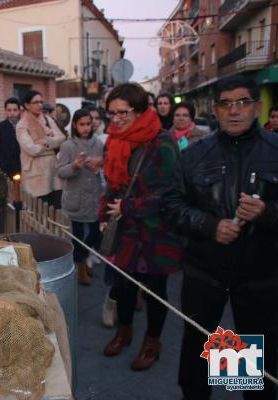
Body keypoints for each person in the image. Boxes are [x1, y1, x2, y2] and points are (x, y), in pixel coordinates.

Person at [162, 74, 278, 400]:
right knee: (200, 349)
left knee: (251, 359)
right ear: (215, 110)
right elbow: (171, 206)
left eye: (243, 102)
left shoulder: (274, 150)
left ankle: (246, 389)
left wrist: (266, 213)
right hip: (205, 274)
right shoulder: (195, 154)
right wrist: (209, 226)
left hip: (258, 275)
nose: (234, 110)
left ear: (256, 107)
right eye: (226, 103)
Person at [99, 83, 182, 371]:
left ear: (141, 110)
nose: (117, 119)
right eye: (112, 113)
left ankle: (152, 342)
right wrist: (103, 215)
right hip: (126, 230)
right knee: (123, 287)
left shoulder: (163, 141)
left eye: (123, 112)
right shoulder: (114, 139)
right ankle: (124, 332)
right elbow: (112, 183)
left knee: (156, 291)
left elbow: (170, 193)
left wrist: (128, 207)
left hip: (158, 231)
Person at [56, 109, 104, 286]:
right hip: (75, 197)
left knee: (95, 233)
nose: (85, 128)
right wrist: (74, 166)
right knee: (76, 236)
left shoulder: (98, 144)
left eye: (88, 124)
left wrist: (100, 162)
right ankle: (80, 267)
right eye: (82, 124)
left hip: (94, 196)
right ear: (75, 125)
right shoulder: (68, 145)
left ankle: (82, 260)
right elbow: (60, 171)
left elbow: (106, 165)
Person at [16, 90, 66, 208]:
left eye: (41, 102)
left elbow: (62, 139)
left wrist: (45, 141)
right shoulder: (22, 125)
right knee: (39, 211)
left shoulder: (48, 120)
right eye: (36, 102)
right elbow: (32, 149)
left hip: (53, 170)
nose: (40, 105)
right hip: (35, 174)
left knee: (56, 209)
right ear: (27, 105)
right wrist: (50, 141)